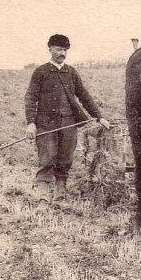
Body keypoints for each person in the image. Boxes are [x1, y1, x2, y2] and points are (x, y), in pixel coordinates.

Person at [24, 34, 110, 202]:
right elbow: (30, 98)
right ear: (50, 49)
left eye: (65, 50)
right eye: (58, 49)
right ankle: (42, 194)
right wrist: (31, 123)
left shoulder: (71, 72)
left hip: (69, 124)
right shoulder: (40, 72)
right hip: (46, 125)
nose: (62, 53)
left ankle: (60, 192)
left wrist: (99, 117)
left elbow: (84, 96)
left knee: (65, 159)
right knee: (47, 159)